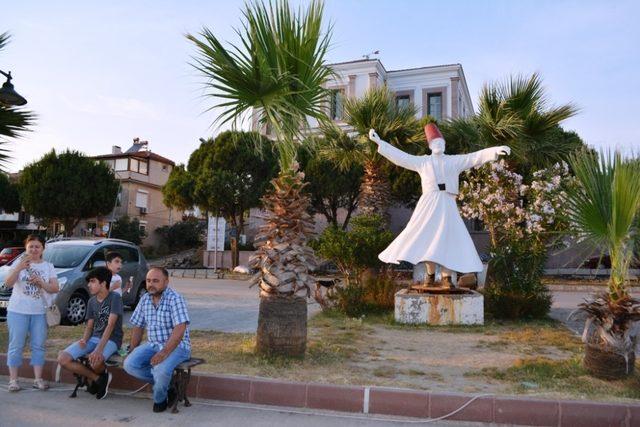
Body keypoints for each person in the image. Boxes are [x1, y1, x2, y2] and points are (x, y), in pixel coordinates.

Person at [368, 124, 510, 287]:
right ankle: (429, 275)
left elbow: (473, 157)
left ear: (445, 145)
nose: (439, 145)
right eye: (435, 143)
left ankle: (447, 278)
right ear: (429, 146)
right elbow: (403, 158)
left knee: (448, 240)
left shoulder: (453, 161)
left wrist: (494, 151)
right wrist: (381, 143)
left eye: (441, 143)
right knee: (428, 238)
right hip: (428, 204)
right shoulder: (422, 162)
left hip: (447, 203)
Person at [123, 267, 191, 413]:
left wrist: (164, 353)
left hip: (178, 346)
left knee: (160, 371)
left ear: (166, 282)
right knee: (130, 364)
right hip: (152, 345)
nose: (151, 284)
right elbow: (138, 326)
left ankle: (160, 400)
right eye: (148, 281)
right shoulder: (145, 299)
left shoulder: (175, 298)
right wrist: (133, 349)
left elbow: (180, 328)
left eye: (155, 281)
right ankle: (168, 386)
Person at [57, 267, 123, 399]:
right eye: (89, 282)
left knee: (95, 360)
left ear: (103, 283)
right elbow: (89, 326)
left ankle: (99, 375)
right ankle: (98, 378)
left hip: (111, 339)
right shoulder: (91, 301)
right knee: (63, 359)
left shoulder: (114, 298)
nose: (89, 285)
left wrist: (99, 349)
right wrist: (84, 340)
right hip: (93, 338)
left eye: (92, 281)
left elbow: (110, 326)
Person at [5, 235, 59, 392]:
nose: (34, 249)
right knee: (16, 345)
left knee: (38, 345)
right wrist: (19, 268)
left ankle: (38, 379)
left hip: (39, 312)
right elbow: (7, 284)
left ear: (43, 249)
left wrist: (41, 283)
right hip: (17, 311)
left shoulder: (48, 266)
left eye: (37, 246)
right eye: (31, 246)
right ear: (26, 248)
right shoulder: (19, 263)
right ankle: (13, 381)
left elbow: (55, 288)